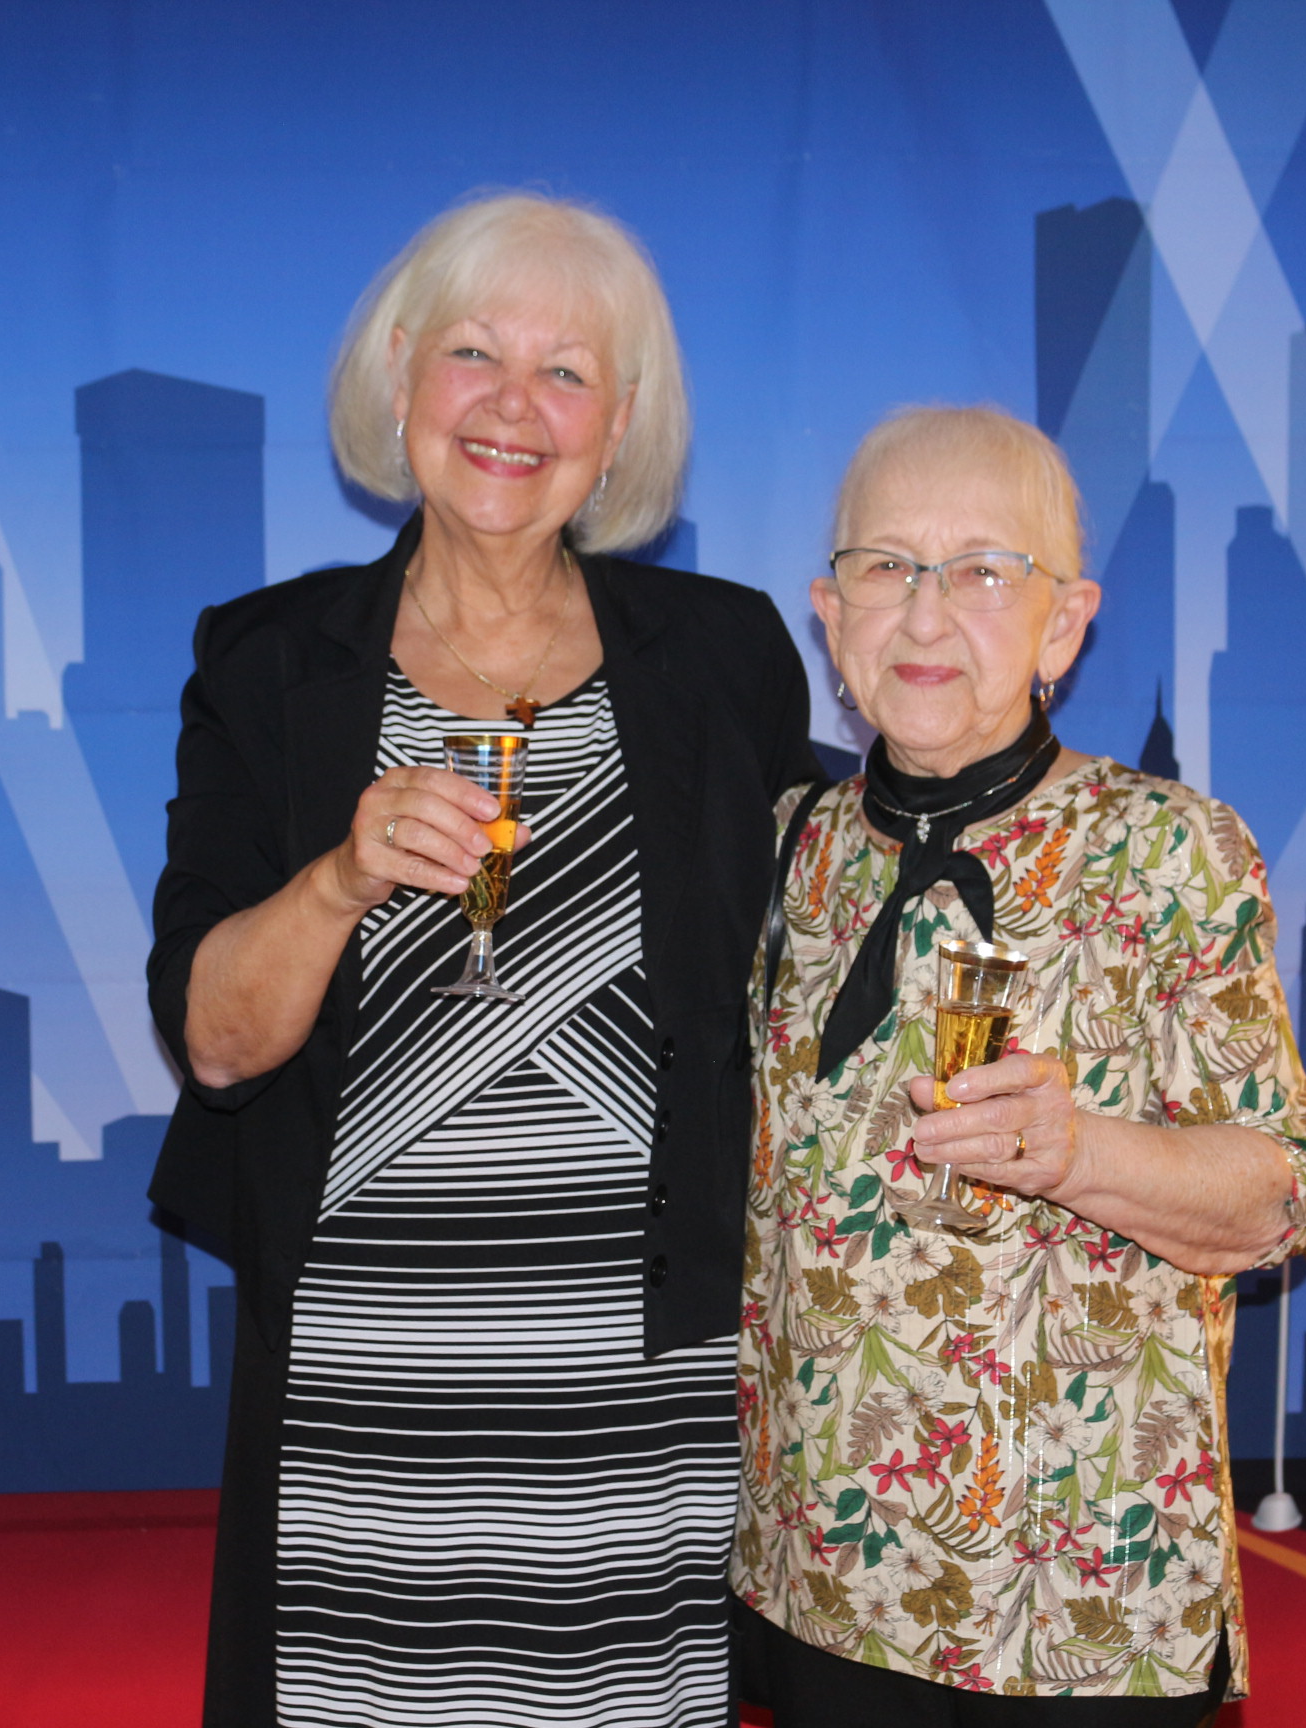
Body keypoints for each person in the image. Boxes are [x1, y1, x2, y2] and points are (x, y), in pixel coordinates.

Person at [148, 191, 820, 1728]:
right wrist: (340, 877)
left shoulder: (725, 657)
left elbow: (811, 966)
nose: (515, 407)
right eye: (474, 355)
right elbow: (219, 1045)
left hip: (639, 1388)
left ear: (619, 425)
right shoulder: (270, 664)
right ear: (400, 377)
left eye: (566, 372)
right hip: (365, 1384)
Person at [731, 406, 1306, 1724]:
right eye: (888, 567)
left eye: (984, 573)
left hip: (1085, 1596)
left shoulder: (1168, 851)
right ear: (830, 615)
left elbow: (1283, 1195)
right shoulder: (783, 848)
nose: (926, 614)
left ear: (1065, 626)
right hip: (826, 1572)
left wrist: (1080, 1153)